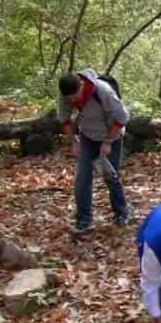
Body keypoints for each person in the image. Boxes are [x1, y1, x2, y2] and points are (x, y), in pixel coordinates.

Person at [57, 69, 130, 234]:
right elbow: (64, 118)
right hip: (88, 135)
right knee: (82, 179)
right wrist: (73, 142)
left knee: (111, 176)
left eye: (75, 97)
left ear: (82, 85)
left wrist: (108, 142)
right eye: (69, 99)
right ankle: (84, 221)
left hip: (112, 134)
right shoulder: (65, 95)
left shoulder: (102, 90)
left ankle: (121, 214)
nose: (72, 101)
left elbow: (122, 117)